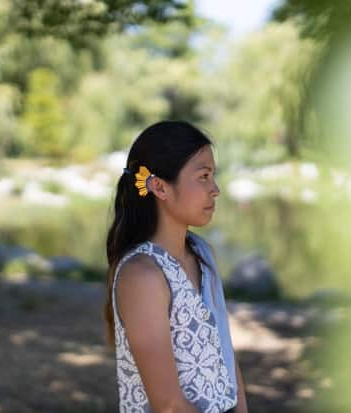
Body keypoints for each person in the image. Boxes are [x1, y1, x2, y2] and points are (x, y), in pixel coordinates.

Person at [103, 121, 249, 413]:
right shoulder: (142, 276)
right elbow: (168, 405)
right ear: (159, 187)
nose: (215, 189)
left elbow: (225, 353)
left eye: (213, 176)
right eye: (203, 177)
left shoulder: (202, 255)